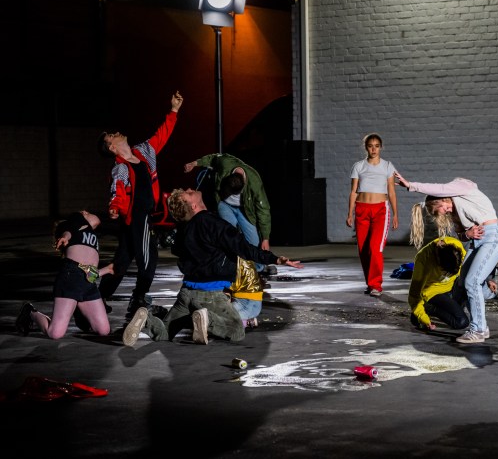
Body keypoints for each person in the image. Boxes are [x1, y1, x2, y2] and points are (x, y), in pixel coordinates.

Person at [121, 188, 302, 346]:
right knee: (237, 330)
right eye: (190, 193)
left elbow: (178, 252)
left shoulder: (184, 230)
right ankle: (205, 320)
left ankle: (147, 320)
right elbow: (245, 249)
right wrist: (275, 259)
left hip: (186, 294)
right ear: (193, 206)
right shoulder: (214, 224)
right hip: (210, 295)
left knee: (165, 334)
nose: (192, 188)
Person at [98, 90, 183, 320]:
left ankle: (97, 297)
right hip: (137, 216)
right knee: (149, 259)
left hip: (144, 215)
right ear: (113, 148)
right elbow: (117, 191)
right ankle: (138, 299)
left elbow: (161, 135)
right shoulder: (120, 167)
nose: (116, 133)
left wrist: (173, 111)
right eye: (111, 137)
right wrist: (114, 207)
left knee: (122, 260)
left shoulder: (143, 151)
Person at [399, 175, 498, 344]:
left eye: (440, 210)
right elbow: (462, 235)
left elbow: (440, 188)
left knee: (472, 282)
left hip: (492, 236)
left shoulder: (462, 189)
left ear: (441, 201)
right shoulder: (455, 212)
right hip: (477, 242)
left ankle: (478, 329)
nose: (445, 213)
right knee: (463, 281)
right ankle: (481, 325)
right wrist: (467, 234)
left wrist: (411, 185)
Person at [17, 211, 114, 339]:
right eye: (87, 212)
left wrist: (107, 270)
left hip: (88, 282)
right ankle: (29, 311)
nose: (88, 213)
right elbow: (68, 231)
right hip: (70, 277)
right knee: (55, 333)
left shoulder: (91, 234)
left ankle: (80, 310)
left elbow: (88, 272)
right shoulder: (76, 219)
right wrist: (65, 237)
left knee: (104, 330)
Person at [184, 152, 274, 274]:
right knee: (227, 234)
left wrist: (265, 238)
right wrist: (195, 163)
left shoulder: (254, 182)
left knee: (254, 241)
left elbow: (263, 210)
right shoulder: (225, 163)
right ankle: (228, 266)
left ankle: (258, 269)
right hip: (225, 205)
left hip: (244, 210)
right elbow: (213, 158)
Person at [347, 134, 399, 297]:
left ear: (381, 147)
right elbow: (353, 192)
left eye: (377, 145)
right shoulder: (359, 166)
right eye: (370, 146)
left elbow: (391, 191)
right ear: (366, 147)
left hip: (381, 210)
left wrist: (396, 214)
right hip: (361, 209)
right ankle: (370, 284)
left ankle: (376, 285)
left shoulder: (387, 166)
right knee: (363, 249)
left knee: (375, 248)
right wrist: (350, 213)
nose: (374, 149)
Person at [408, 236, 470, 332]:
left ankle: (442, 307)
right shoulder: (423, 258)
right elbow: (414, 294)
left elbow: (470, 266)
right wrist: (423, 317)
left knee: (468, 282)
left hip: (453, 287)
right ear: (438, 261)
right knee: (461, 322)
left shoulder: (457, 248)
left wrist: (488, 280)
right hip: (433, 292)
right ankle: (429, 308)